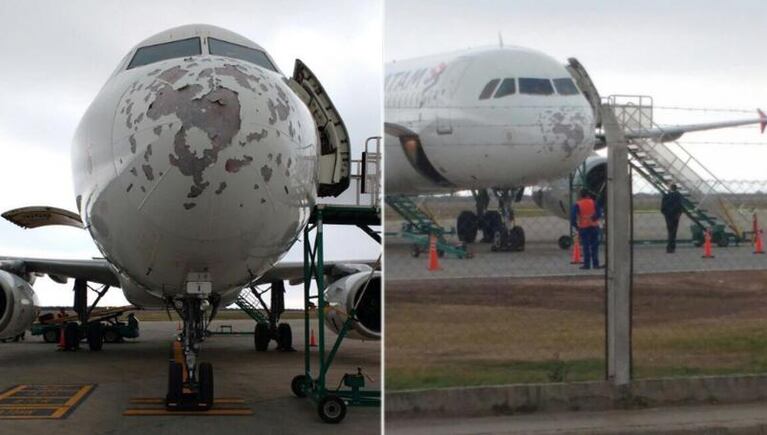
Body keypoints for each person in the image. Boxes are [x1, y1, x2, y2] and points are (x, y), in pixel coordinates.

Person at [570, 190, 603, 269]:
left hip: (584, 227)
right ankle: (596, 264)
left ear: (581, 196)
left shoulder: (578, 204)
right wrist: (594, 218)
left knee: (586, 246)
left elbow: (573, 216)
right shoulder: (593, 202)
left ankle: (587, 264)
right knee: (594, 246)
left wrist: (576, 225)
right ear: (588, 195)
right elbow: (599, 213)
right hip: (594, 226)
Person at [661, 183, 684, 253]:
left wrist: (665, 213)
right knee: (674, 231)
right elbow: (680, 205)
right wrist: (679, 213)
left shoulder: (666, 195)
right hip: (675, 215)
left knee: (669, 230)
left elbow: (662, 207)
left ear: (670, 188)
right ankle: (672, 247)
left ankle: (669, 247)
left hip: (668, 215)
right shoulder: (678, 195)